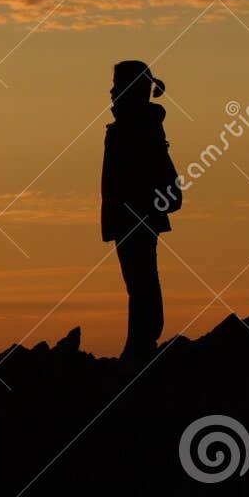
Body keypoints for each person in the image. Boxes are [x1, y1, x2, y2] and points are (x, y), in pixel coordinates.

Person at [100, 60, 180, 361]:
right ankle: (140, 343)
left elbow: (146, 171)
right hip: (128, 217)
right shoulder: (135, 125)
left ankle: (141, 345)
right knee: (139, 280)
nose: (111, 91)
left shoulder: (139, 126)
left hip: (137, 216)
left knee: (141, 280)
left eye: (117, 85)